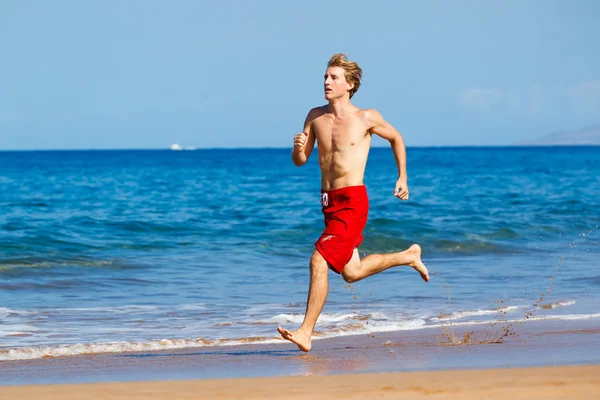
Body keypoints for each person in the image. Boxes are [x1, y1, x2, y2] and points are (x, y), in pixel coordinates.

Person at [277, 53, 430, 352]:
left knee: (318, 260)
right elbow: (301, 161)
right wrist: (296, 149)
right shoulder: (315, 116)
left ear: (350, 84)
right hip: (328, 202)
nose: (326, 81)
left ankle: (306, 332)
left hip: (352, 202)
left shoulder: (366, 117)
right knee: (351, 272)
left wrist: (403, 178)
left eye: (333, 77)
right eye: (325, 76)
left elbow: (396, 138)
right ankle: (408, 256)